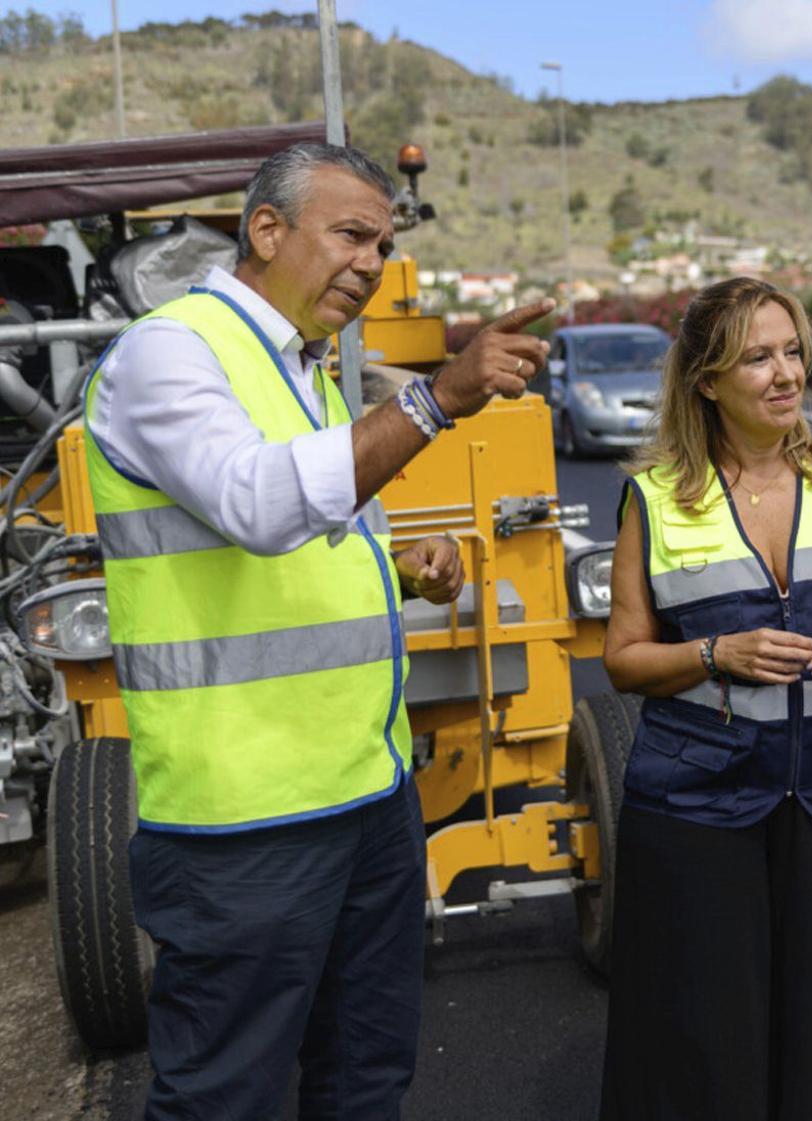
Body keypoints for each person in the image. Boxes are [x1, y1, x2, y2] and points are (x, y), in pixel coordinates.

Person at [82, 142, 552, 1119]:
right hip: (244, 827)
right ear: (265, 229)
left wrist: (397, 569)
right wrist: (438, 397)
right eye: (350, 234)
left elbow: (296, 547)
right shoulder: (173, 350)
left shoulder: (302, 370)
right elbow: (255, 503)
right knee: (226, 1095)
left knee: (365, 1075)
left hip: (367, 798)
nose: (373, 263)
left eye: (382, 244)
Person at [599, 276, 812, 1121]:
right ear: (707, 380)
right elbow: (623, 660)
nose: (785, 373)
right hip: (701, 802)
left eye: (791, 350)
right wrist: (713, 652)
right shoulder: (656, 499)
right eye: (756, 358)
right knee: (706, 1029)